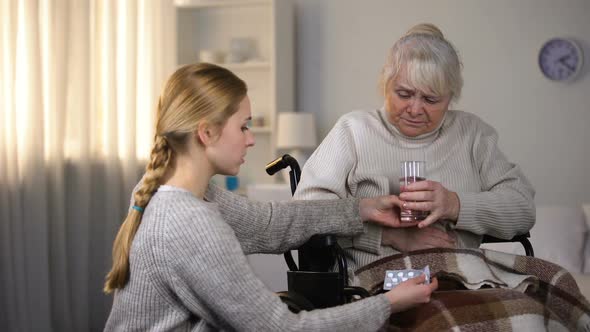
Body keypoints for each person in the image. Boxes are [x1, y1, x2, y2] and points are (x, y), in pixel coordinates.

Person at [103, 63, 438, 331]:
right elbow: (283, 329)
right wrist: (389, 304)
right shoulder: (191, 223)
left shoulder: (182, 195)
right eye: (243, 126)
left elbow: (268, 224)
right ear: (206, 132)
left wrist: (363, 208)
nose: (251, 139)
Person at [293, 23, 535, 275]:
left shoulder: (472, 133)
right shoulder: (353, 130)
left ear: (451, 97)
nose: (416, 109)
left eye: (431, 99)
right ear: (386, 85)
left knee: (547, 297)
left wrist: (456, 204)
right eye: (404, 94)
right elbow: (307, 211)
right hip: (380, 283)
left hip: (461, 277)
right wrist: (387, 235)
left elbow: (522, 208)